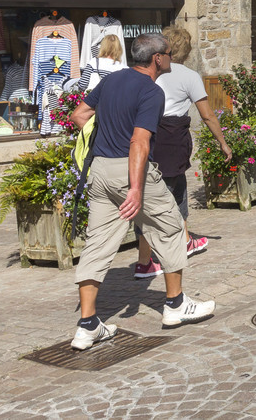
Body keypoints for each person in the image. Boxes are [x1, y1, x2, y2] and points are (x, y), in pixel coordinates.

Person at [68, 33, 213, 350]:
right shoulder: (151, 91)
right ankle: (175, 304)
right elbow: (139, 142)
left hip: (101, 170)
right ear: (158, 58)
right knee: (172, 226)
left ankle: (87, 325)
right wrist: (135, 189)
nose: (171, 58)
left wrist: (104, 135)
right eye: (169, 54)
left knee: (97, 243)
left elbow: (79, 115)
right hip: (130, 170)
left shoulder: (111, 80)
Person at [133, 26, 233, 275]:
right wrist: (222, 141)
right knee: (176, 193)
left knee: (148, 195)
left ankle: (153, 255)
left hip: (146, 136)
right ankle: (160, 255)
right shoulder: (188, 75)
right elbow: (208, 115)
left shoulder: (144, 74)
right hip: (172, 139)